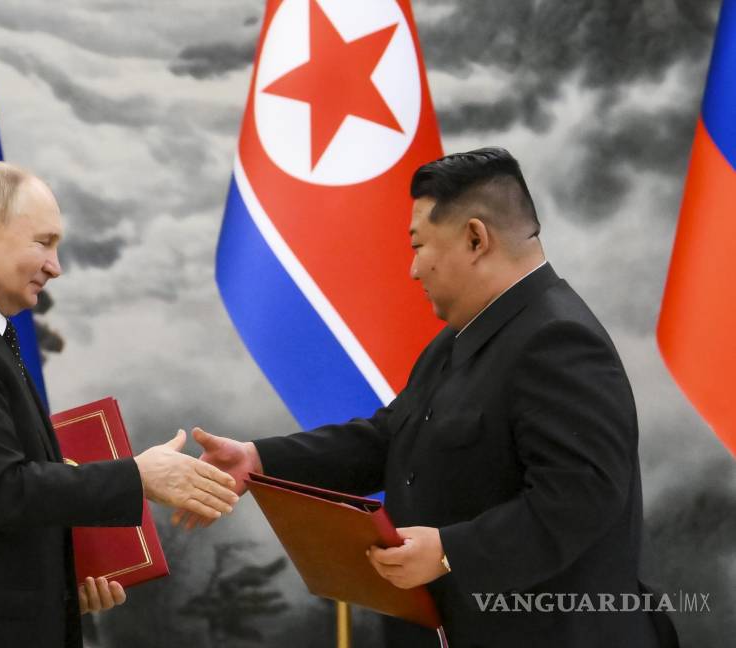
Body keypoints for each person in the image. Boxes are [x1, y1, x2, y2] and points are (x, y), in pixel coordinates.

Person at [182, 149, 677, 647]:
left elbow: (581, 499)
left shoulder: (560, 339)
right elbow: (390, 438)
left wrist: (449, 552)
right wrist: (258, 459)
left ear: (475, 239)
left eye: (419, 246)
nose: (414, 270)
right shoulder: (462, 336)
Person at [0, 161, 239, 648]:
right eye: (44, 242)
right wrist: (139, 476)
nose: (56, 266)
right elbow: (2, 490)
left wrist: (62, 584)